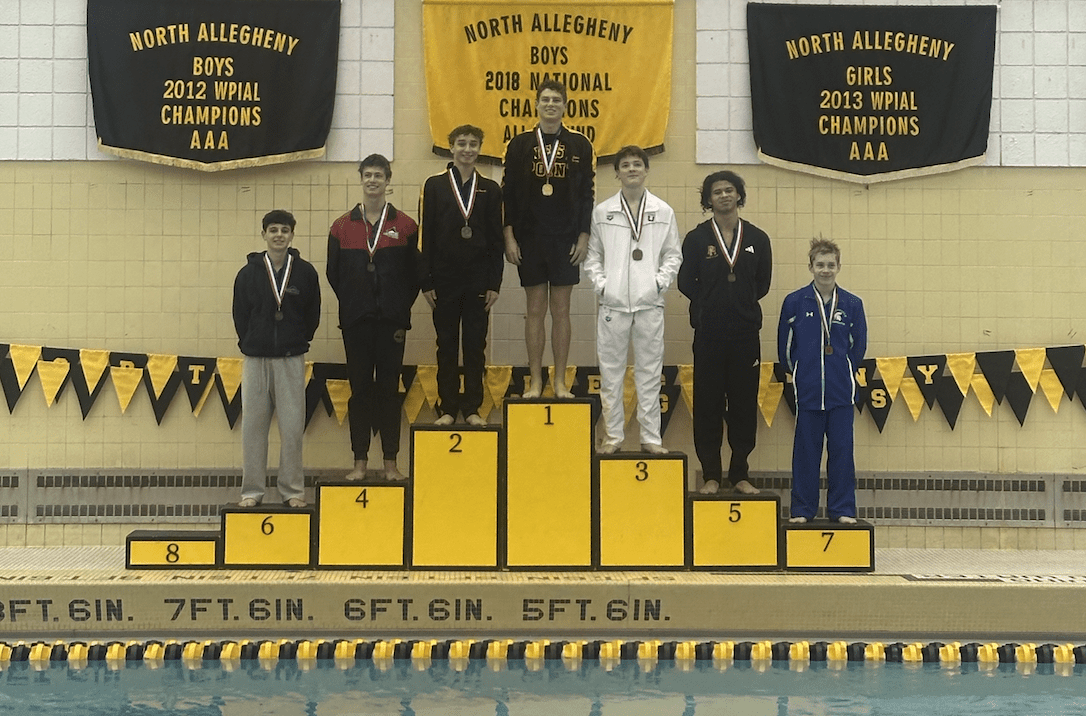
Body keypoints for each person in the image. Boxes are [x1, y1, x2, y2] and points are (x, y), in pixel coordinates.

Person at [678, 170, 772, 496]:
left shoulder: (758, 239)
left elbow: (762, 284)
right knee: (708, 405)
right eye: (716, 192)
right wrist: (710, 304)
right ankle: (711, 476)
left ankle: (740, 473)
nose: (723, 196)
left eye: (729, 190)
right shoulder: (696, 238)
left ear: (738, 195)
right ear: (709, 199)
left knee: (744, 405)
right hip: (708, 335)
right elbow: (685, 282)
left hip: (745, 335)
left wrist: (739, 303)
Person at [327, 154, 420, 481]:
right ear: (361, 178)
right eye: (367, 175)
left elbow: (413, 276)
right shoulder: (341, 226)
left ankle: (391, 463)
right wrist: (357, 302)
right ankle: (360, 462)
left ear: (387, 180)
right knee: (360, 391)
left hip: (392, 322)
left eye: (378, 175)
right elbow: (334, 274)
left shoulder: (406, 225)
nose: (372, 180)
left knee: (390, 390)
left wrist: (395, 306)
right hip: (356, 322)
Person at [584, 145, 681, 455]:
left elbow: (672, 255)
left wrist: (658, 284)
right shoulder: (603, 212)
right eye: (625, 165)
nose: (631, 169)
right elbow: (592, 257)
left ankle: (651, 437)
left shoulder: (663, 211)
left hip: (649, 304)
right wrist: (603, 287)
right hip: (613, 306)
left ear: (646, 169)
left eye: (637, 164)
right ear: (617, 173)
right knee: (610, 375)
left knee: (650, 374)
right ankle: (613, 437)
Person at [502, 79, 595, 398]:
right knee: (536, 309)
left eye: (557, 99)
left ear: (565, 105)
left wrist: (584, 235)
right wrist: (509, 235)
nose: (551, 104)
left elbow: (586, 195)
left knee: (562, 310)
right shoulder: (520, 144)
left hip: (566, 239)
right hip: (530, 238)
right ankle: (536, 381)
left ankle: (559, 382)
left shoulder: (580, 145)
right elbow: (509, 193)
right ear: (537, 105)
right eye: (546, 99)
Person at [232, 209, 321, 508]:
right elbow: (240, 314)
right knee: (253, 430)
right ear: (264, 235)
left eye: (284, 230)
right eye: (273, 230)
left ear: (292, 235)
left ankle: (293, 491)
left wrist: (297, 340)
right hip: (256, 360)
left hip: (290, 359)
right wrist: (250, 342)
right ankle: (252, 491)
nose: (279, 235)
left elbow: (313, 314)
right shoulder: (248, 274)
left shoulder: (306, 273)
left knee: (293, 428)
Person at [419, 124, 503, 426]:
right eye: (462, 144)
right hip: (443, 278)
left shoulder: (491, 189)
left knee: (475, 345)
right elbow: (425, 235)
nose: (467, 150)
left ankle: (472, 408)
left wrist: (495, 282)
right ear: (451, 147)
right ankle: (448, 408)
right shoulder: (434, 185)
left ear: (480, 148)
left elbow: (496, 240)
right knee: (446, 344)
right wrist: (425, 280)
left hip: (479, 278)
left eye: (473, 144)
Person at [778, 238, 866, 524]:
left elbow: (858, 346)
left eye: (830, 265)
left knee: (842, 453)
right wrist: (801, 372)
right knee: (806, 453)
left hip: (841, 392)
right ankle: (803, 510)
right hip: (809, 391)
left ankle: (843, 510)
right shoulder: (794, 302)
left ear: (839, 267)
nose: (825, 270)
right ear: (810, 267)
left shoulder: (852, 304)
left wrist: (845, 368)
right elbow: (785, 347)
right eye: (820, 265)